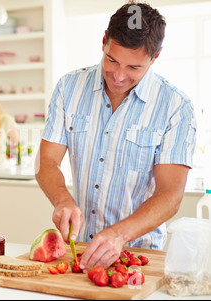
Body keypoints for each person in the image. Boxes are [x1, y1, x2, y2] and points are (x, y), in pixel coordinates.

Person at [35, 1, 196, 271]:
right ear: (104, 42)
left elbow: (170, 194)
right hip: (81, 250)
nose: (119, 76)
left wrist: (119, 234)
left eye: (134, 68)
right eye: (112, 60)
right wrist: (62, 199)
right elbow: (46, 161)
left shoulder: (175, 107)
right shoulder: (68, 88)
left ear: (155, 57)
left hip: (138, 256)